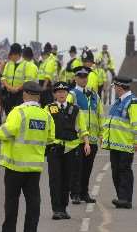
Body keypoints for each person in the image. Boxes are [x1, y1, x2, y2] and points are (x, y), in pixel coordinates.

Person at [0, 81, 55, 232]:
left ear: (25, 94)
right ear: (39, 96)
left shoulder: (18, 112)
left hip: (15, 165)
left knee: (12, 200)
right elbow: (50, 138)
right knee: (33, 200)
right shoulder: (46, 115)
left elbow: (6, 132)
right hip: (34, 166)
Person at [45, 82, 90, 220]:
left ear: (67, 94)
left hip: (70, 149)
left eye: (64, 92)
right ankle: (56, 209)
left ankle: (63, 208)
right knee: (55, 179)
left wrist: (87, 143)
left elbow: (82, 128)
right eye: (58, 92)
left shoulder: (75, 109)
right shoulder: (48, 108)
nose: (61, 94)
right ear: (54, 94)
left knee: (66, 179)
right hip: (54, 149)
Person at [68, 67, 103, 204]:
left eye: (85, 77)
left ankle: (84, 193)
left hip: (92, 139)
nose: (84, 79)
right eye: (81, 76)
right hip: (78, 138)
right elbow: (69, 115)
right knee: (77, 167)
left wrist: (101, 134)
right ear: (75, 78)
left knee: (88, 168)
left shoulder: (94, 95)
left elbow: (100, 115)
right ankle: (75, 193)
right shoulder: (72, 94)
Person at [102, 76, 137, 209]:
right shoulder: (118, 102)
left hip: (126, 144)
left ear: (119, 87)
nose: (114, 89)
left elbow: (135, 124)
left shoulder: (132, 102)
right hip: (115, 144)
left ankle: (125, 199)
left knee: (124, 171)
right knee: (116, 171)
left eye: (115, 87)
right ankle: (121, 197)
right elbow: (111, 122)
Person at [1, 43, 25, 114]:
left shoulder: (25, 64)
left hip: (20, 95)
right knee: (8, 114)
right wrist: (10, 87)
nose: (10, 57)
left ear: (17, 55)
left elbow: (27, 81)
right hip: (9, 94)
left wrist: (17, 89)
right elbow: (3, 78)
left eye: (12, 55)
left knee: (18, 114)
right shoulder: (8, 64)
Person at [38, 42, 58, 107]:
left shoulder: (49, 61)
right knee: (44, 106)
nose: (41, 56)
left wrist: (44, 87)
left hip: (46, 86)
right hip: (43, 86)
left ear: (46, 54)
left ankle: (54, 116)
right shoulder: (44, 62)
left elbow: (47, 76)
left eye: (42, 55)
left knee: (50, 105)